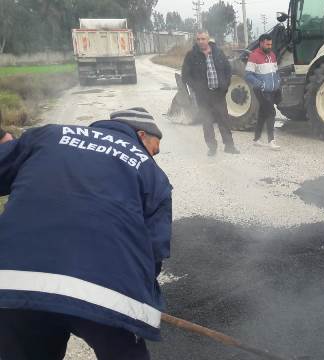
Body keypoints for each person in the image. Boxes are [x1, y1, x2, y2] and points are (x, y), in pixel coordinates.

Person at [0, 108, 173, 359]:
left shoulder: (48, 135)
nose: (152, 156)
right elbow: (154, 252)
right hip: (106, 292)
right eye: (153, 149)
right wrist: (141, 297)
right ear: (142, 134)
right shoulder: (151, 172)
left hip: (14, 282)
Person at [182, 30, 240, 156]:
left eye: (203, 39)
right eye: (198, 39)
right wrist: (197, 88)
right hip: (203, 96)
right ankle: (212, 147)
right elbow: (185, 75)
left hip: (218, 94)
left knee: (224, 120)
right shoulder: (191, 55)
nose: (200, 41)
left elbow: (227, 69)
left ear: (208, 39)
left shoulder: (218, 52)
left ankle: (229, 146)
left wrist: (225, 85)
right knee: (207, 122)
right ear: (196, 40)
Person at [245, 34, 282, 150]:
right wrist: (261, 84)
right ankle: (271, 141)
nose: (269, 46)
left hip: (271, 90)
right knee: (271, 112)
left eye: (271, 44)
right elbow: (248, 76)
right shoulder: (253, 56)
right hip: (261, 90)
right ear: (261, 43)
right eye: (267, 44)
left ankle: (256, 139)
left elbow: (275, 72)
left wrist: (277, 83)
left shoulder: (272, 55)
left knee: (262, 113)